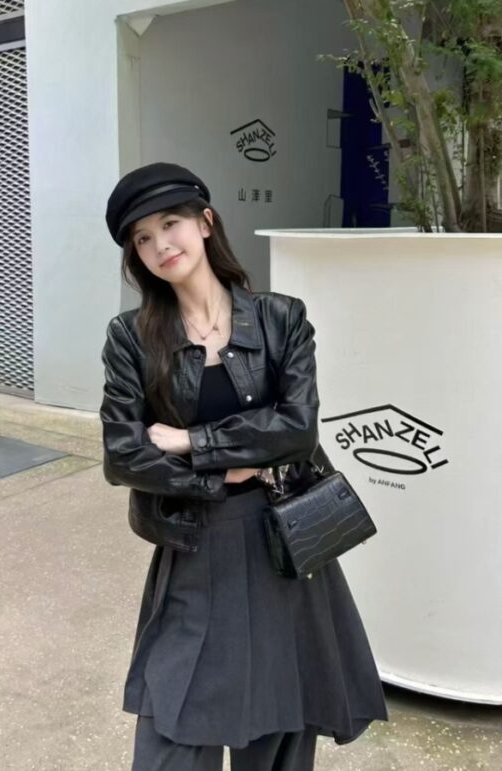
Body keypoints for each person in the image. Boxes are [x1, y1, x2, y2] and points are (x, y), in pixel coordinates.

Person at [100, 162, 388, 771]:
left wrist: (191, 440)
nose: (160, 245)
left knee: (280, 726)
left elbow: (297, 428)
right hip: (195, 543)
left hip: (283, 541)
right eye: (143, 238)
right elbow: (122, 454)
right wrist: (220, 472)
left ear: (205, 223)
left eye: (170, 224)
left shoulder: (282, 319)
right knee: (173, 725)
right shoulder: (131, 338)